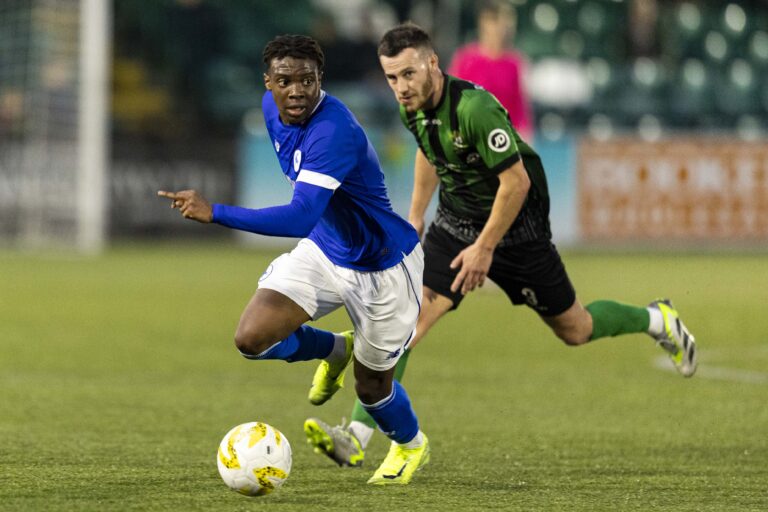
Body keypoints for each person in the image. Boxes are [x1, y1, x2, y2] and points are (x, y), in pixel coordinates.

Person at [304, 23, 697, 469]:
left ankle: (656, 319)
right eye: (392, 78)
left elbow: (517, 182)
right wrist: (416, 216)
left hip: (517, 231)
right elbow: (428, 153)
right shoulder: (410, 109)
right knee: (405, 323)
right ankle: (355, 436)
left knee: (576, 329)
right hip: (455, 223)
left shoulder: (475, 109)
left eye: (408, 74)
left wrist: (486, 248)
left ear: (433, 63)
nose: (401, 87)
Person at [157, 34, 429, 485]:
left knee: (373, 387)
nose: (297, 91)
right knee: (252, 338)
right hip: (326, 249)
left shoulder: (334, 131)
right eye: (285, 81)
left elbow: (302, 215)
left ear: (320, 79)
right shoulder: (270, 109)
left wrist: (217, 213)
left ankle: (410, 443)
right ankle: (335, 348)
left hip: (383, 267)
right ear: (269, 83)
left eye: (308, 80)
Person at [448, 0, 534, 142]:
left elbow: (522, 111)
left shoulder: (516, 63)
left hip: (504, 142)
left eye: (506, 25)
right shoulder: (465, 60)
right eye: (496, 24)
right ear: (484, 25)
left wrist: (526, 147)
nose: (501, 31)